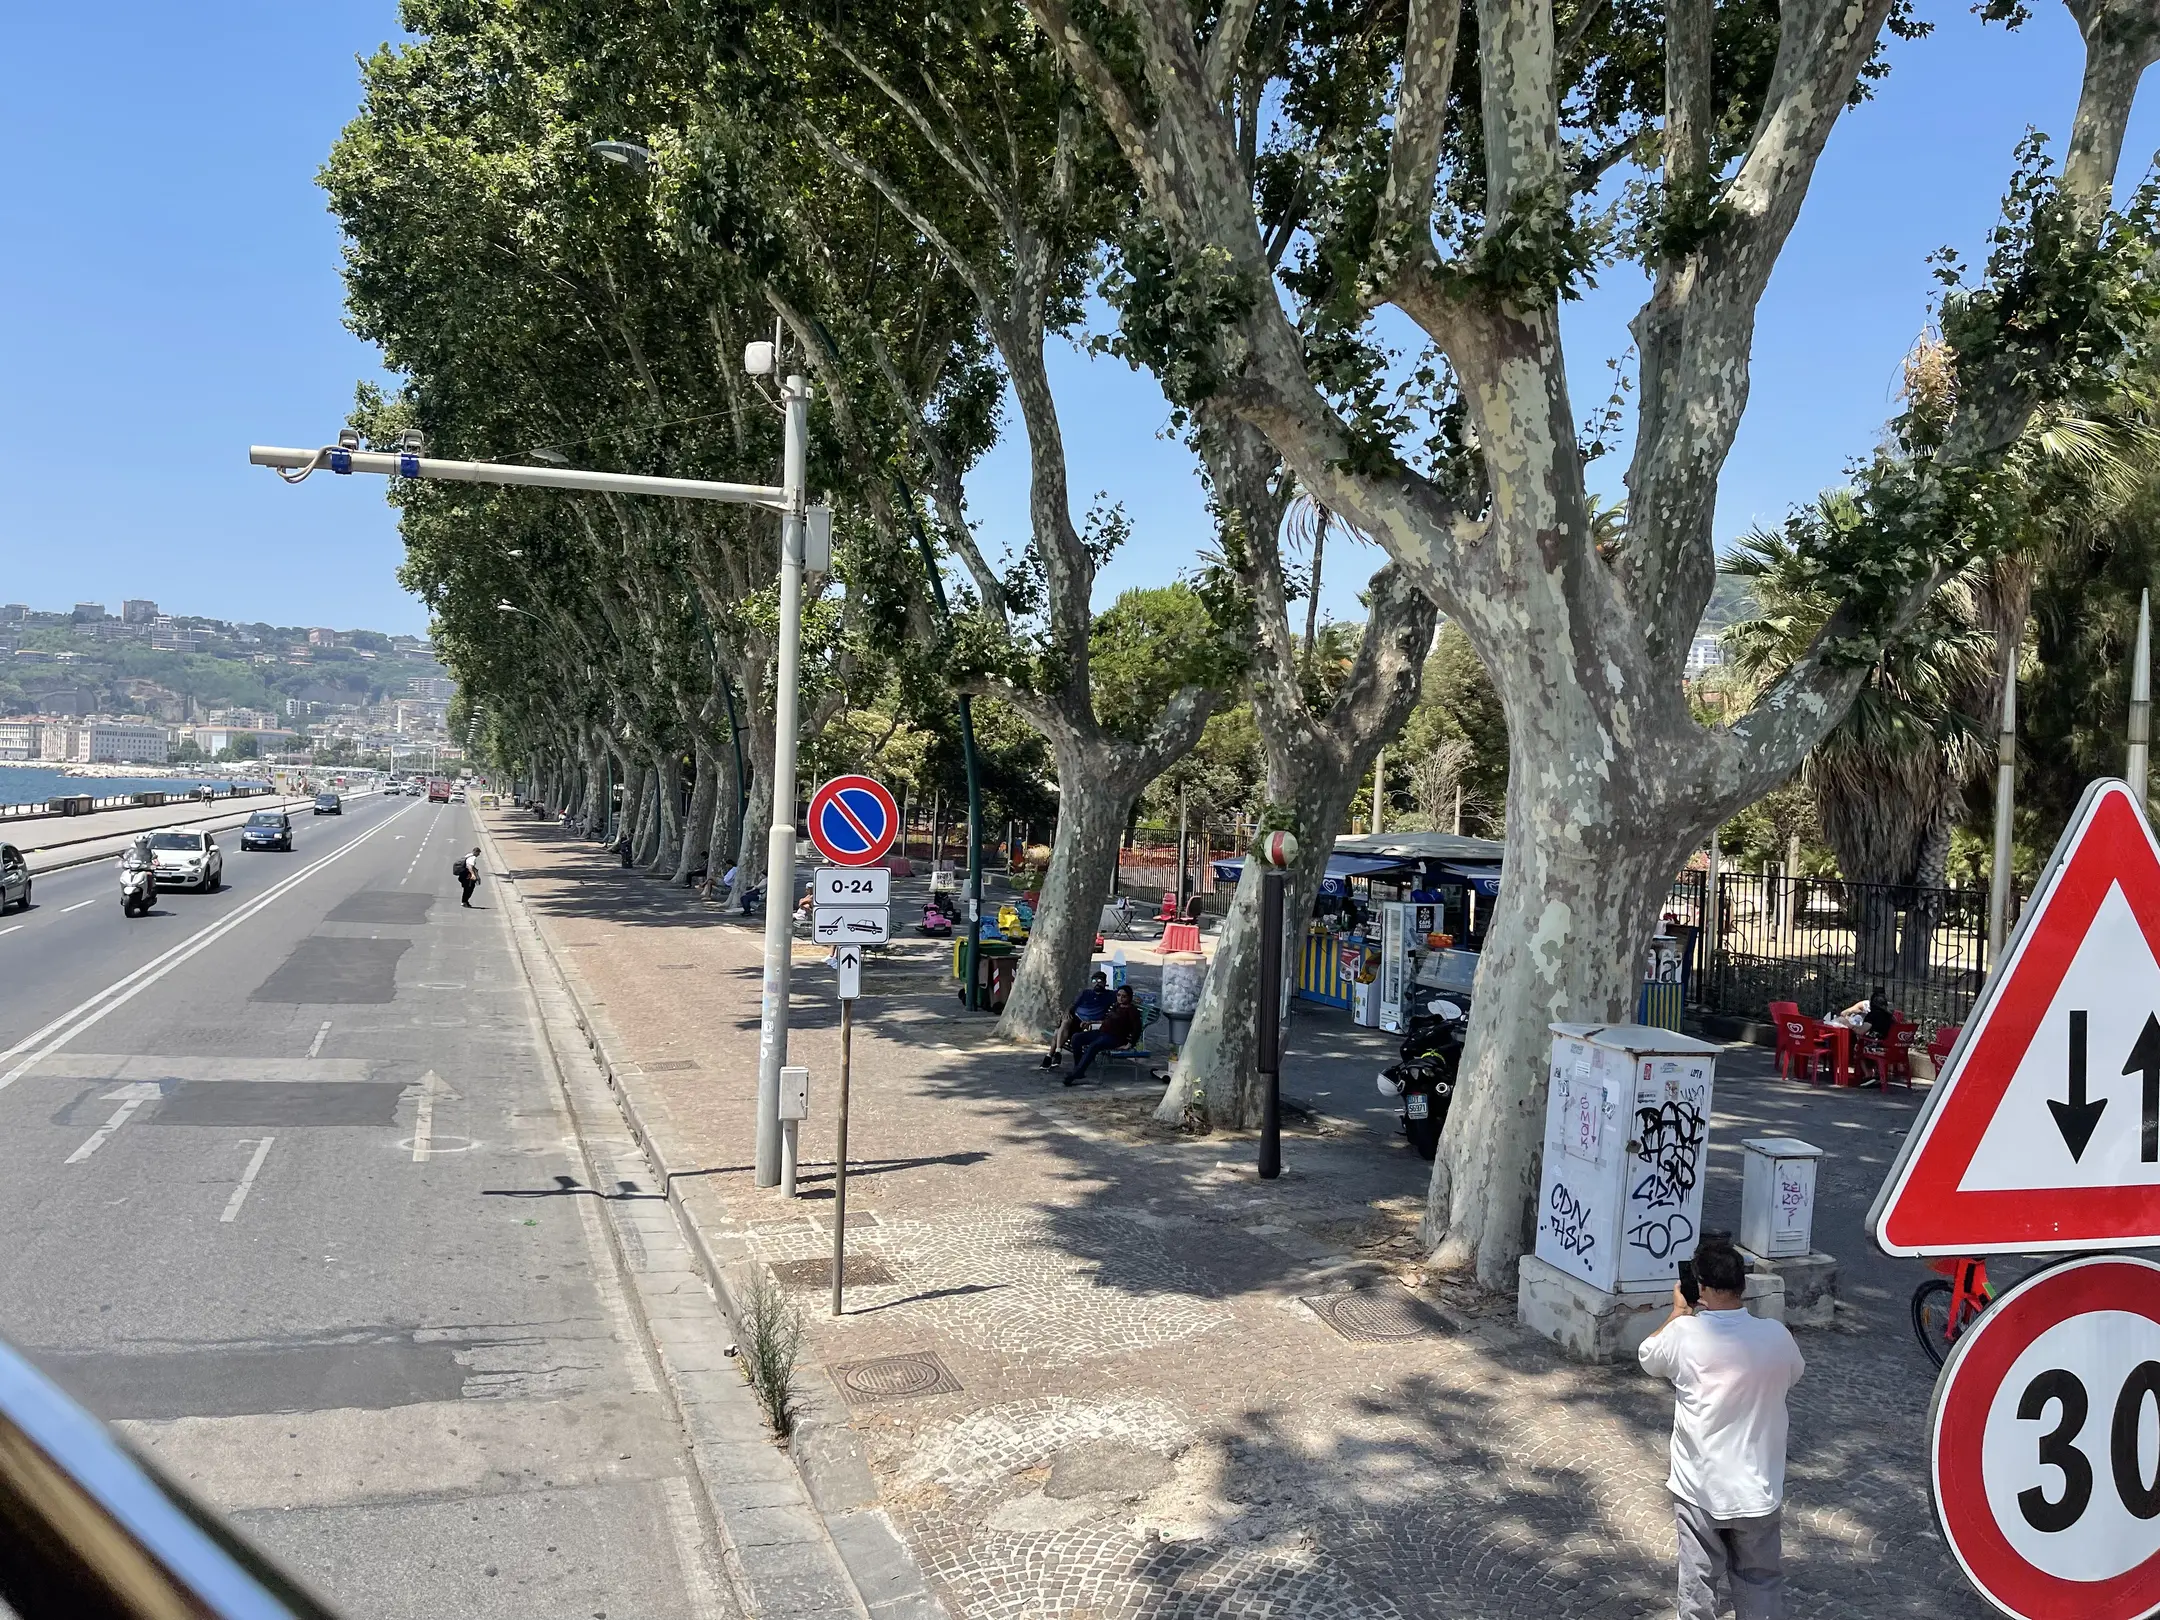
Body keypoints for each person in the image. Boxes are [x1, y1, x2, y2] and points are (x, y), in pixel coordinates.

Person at [1639, 1239, 1806, 1620]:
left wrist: (1678, 1312)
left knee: (1698, 1581)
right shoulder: (1777, 1336)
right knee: (1760, 1580)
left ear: (1703, 1288)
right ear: (1742, 1285)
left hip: (1699, 1486)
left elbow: (1648, 1356)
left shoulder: (1684, 1335)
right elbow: (1793, 1375)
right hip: (1758, 1487)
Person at [1066, 985, 1144, 1084]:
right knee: (1076, 1037)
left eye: (1124, 996)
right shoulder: (1116, 1006)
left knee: (1094, 1045)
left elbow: (1137, 1028)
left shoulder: (1131, 1011)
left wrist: (1129, 1044)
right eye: (1119, 995)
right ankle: (1077, 1068)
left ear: (1129, 997)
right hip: (1102, 1033)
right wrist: (1091, 1022)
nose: (1120, 998)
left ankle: (1077, 1073)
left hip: (1115, 1038)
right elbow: (1107, 1021)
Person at [1043, 971, 1114, 1069]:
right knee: (1066, 1020)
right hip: (1076, 1018)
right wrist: (1067, 1011)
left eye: (1099, 980)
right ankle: (1057, 1052)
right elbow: (1072, 1005)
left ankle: (1050, 1056)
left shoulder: (1110, 995)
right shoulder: (1086, 993)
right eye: (1094, 981)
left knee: (1057, 1032)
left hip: (1088, 1024)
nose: (1096, 983)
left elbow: (1126, 994)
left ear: (1105, 982)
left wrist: (1136, 998)